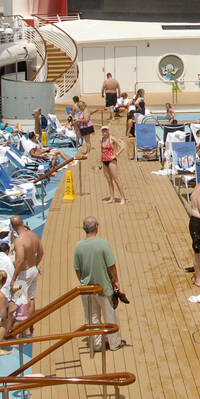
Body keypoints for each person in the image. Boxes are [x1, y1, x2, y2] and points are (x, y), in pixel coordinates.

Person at [72, 216, 127, 351]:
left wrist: (83, 281)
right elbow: (111, 266)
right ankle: (114, 343)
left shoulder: (78, 246)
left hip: (87, 289)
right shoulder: (103, 244)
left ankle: (96, 344)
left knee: (92, 317)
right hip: (103, 287)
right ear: (96, 227)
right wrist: (115, 281)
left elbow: (77, 269)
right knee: (110, 316)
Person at [97, 124, 124, 204]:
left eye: (106, 130)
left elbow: (122, 146)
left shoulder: (111, 138)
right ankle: (112, 197)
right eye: (103, 130)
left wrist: (116, 154)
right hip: (104, 161)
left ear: (108, 131)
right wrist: (100, 162)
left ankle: (123, 198)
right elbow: (101, 152)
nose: (104, 132)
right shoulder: (101, 140)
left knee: (116, 180)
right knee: (109, 180)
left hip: (111, 161)